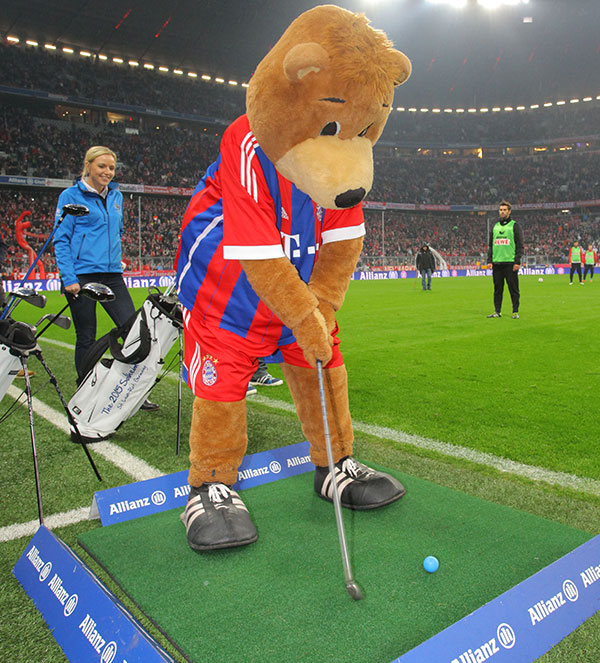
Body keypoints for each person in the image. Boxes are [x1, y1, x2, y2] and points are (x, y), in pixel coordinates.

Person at [52, 145, 158, 410]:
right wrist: (69, 277)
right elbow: (61, 240)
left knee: (133, 331)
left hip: (112, 275)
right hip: (82, 276)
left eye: (111, 167)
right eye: (101, 166)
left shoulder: (116, 197)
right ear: (87, 166)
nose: (107, 172)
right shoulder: (70, 195)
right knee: (86, 335)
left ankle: (130, 391)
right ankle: (84, 390)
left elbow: (117, 230)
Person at [486, 201, 524, 319]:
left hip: (510, 263)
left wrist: (517, 261)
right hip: (497, 263)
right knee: (498, 289)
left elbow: (520, 244)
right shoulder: (495, 226)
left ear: (509, 211)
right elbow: (491, 245)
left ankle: (515, 311)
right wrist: (489, 260)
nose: (502, 212)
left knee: (513, 288)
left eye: (504, 210)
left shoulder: (514, 225)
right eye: (500, 210)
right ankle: (497, 311)